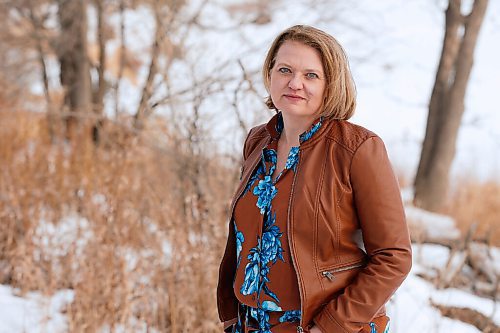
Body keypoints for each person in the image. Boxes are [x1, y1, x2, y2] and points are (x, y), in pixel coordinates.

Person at [217, 25, 412, 333]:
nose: (295, 83)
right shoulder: (258, 142)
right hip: (251, 323)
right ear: (270, 75)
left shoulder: (357, 148)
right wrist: (231, 314)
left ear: (330, 84)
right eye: (285, 70)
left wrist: (330, 326)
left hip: (325, 325)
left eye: (311, 75)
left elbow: (393, 257)